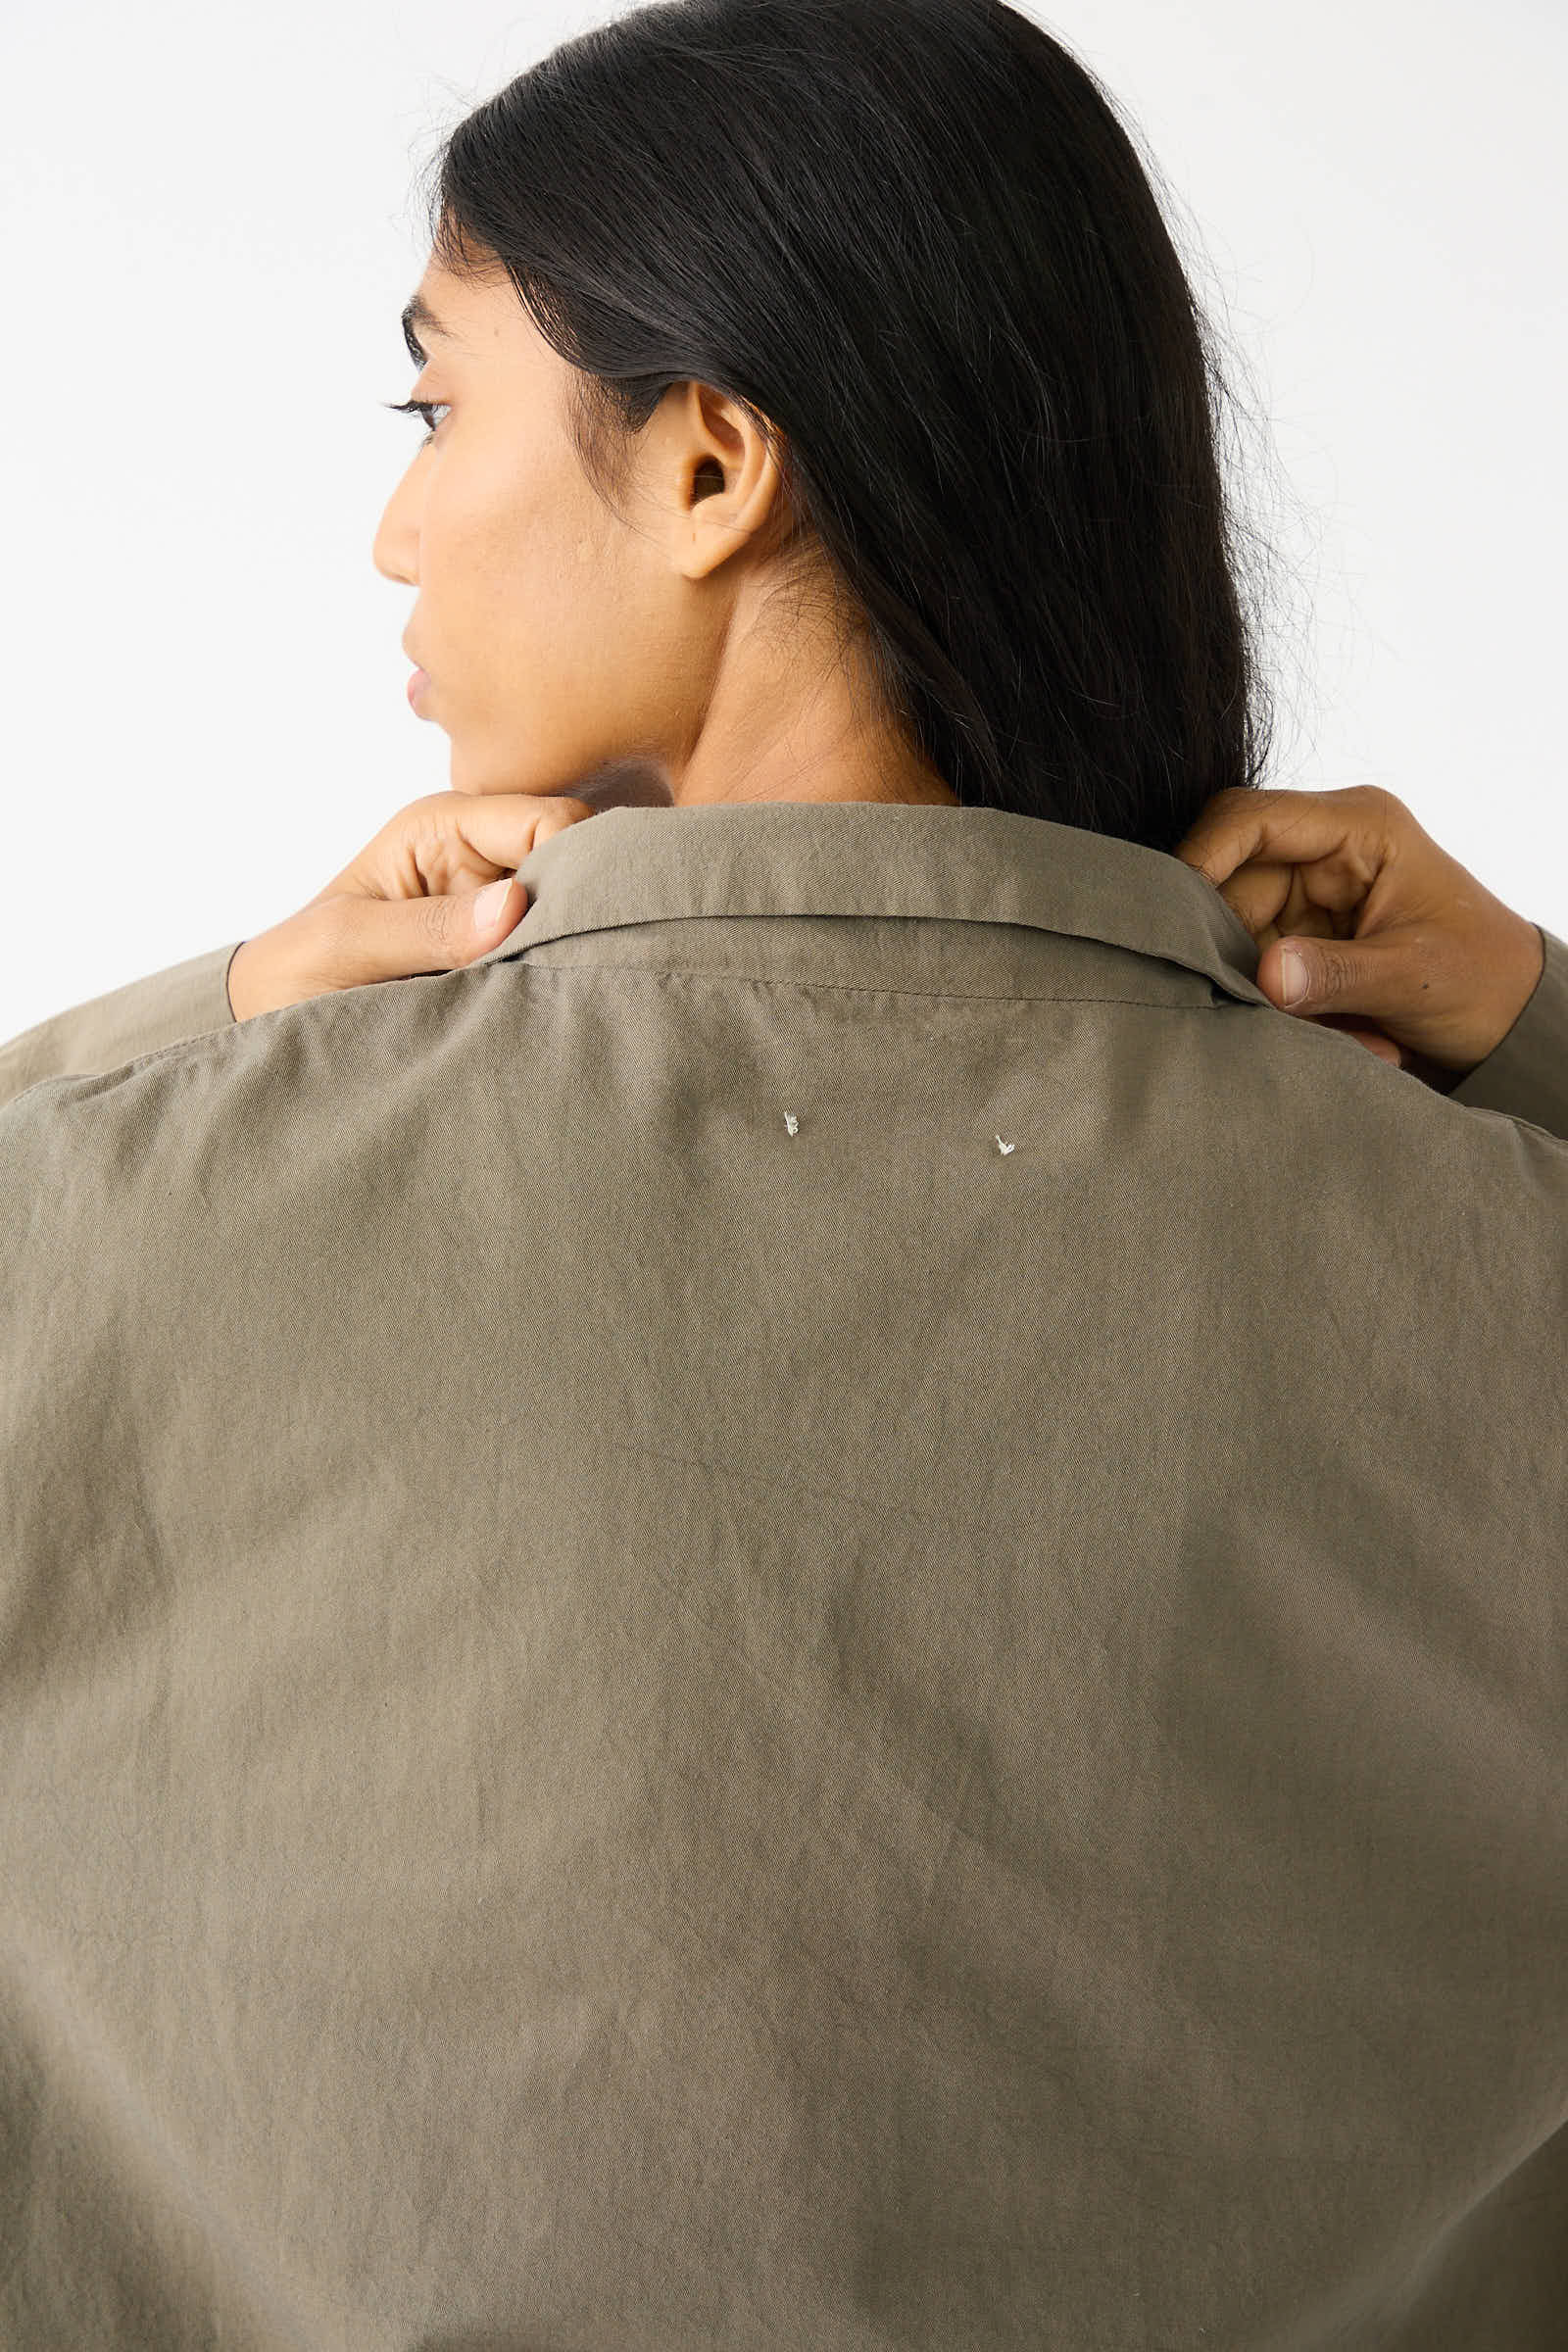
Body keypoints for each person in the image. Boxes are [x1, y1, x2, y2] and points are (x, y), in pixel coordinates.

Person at [0, 3, 1563, 2345]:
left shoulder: (99, 1239)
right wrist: (1540, 1034)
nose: (392, 522)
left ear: (714, 464)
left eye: (436, 406)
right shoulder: (1491, 1265)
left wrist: (195, 1046)